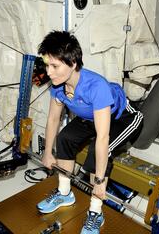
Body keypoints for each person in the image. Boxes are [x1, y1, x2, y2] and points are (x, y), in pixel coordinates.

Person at [36, 30, 143, 234]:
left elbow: (102, 138)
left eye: (55, 66)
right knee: (65, 137)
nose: (49, 72)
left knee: (97, 150)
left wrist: (100, 182)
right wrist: (48, 152)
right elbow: (53, 119)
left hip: (123, 118)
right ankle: (65, 193)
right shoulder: (58, 86)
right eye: (47, 65)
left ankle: (96, 212)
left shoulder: (96, 87)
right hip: (92, 116)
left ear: (73, 63)